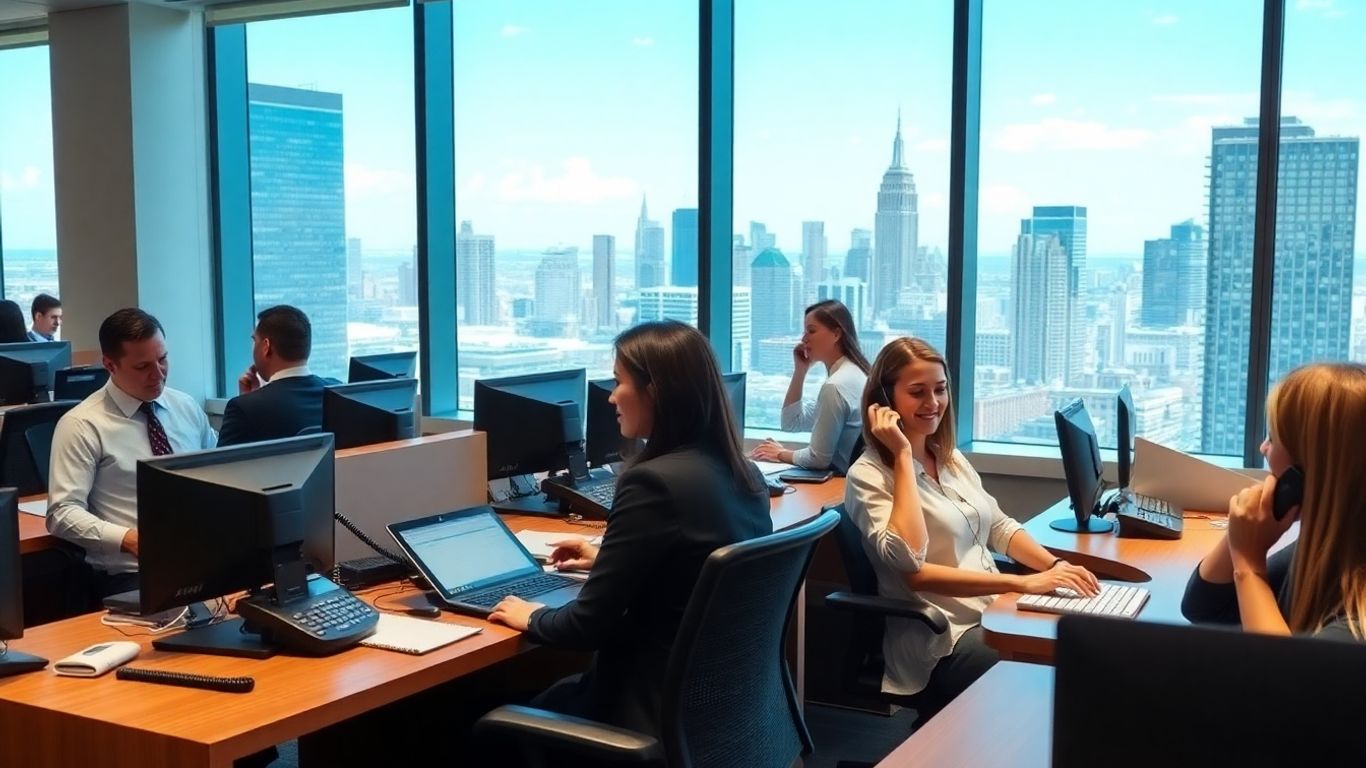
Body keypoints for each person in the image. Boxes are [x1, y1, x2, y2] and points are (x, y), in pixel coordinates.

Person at [486, 320, 771, 737]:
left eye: (619, 382)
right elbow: (702, 567)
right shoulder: (743, 473)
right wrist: (606, 559)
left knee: (476, 726)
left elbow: (584, 627)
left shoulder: (653, 483)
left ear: (654, 390)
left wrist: (530, 614)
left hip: (643, 709)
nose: (611, 397)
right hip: (717, 708)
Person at [845, 336, 1099, 710]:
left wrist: (1055, 566)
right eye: (917, 392)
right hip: (941, 637)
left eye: (940, 389)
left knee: (1086, 646)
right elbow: (911, 566)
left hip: (992, 608)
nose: (933, 403)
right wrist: (901, 456)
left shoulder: (949, 458)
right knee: (1042, 676)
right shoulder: (868, 475)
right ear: (885, 400)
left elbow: (999, 526)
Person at [1182, 362, 1366, 641]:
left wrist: (1249, 566)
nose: (1263, 448)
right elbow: (1204, 609)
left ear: (1310, 467)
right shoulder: (1328, 550)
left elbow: (1283, 681)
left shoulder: (1357, 621)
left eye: (1273, 437)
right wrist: (1239, 535)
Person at [46, 308, 216, 598]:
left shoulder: (185, 406)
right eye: (143, 367)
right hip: (135, 574)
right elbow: (62, 513)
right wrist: (129, 539)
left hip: (205, 561)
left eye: (162, 360)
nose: (158, 374)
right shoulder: (82, 424)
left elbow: (219, 474)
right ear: (110, 365)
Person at [752, 299, 870, 474]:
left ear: (836, 334)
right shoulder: (855, 373)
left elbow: (818, 458)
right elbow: (791, 422)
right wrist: (800, 371)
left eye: (811, 331)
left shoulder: (836, 385)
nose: (804, 339)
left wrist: (781, 454)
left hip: (842, 483)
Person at [218, 305, 330, 446]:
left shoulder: (243, 408)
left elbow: (222, 467)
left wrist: (248, 402)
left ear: (266, 347)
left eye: (254, 341)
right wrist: (251, 399)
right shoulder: (338, 392)